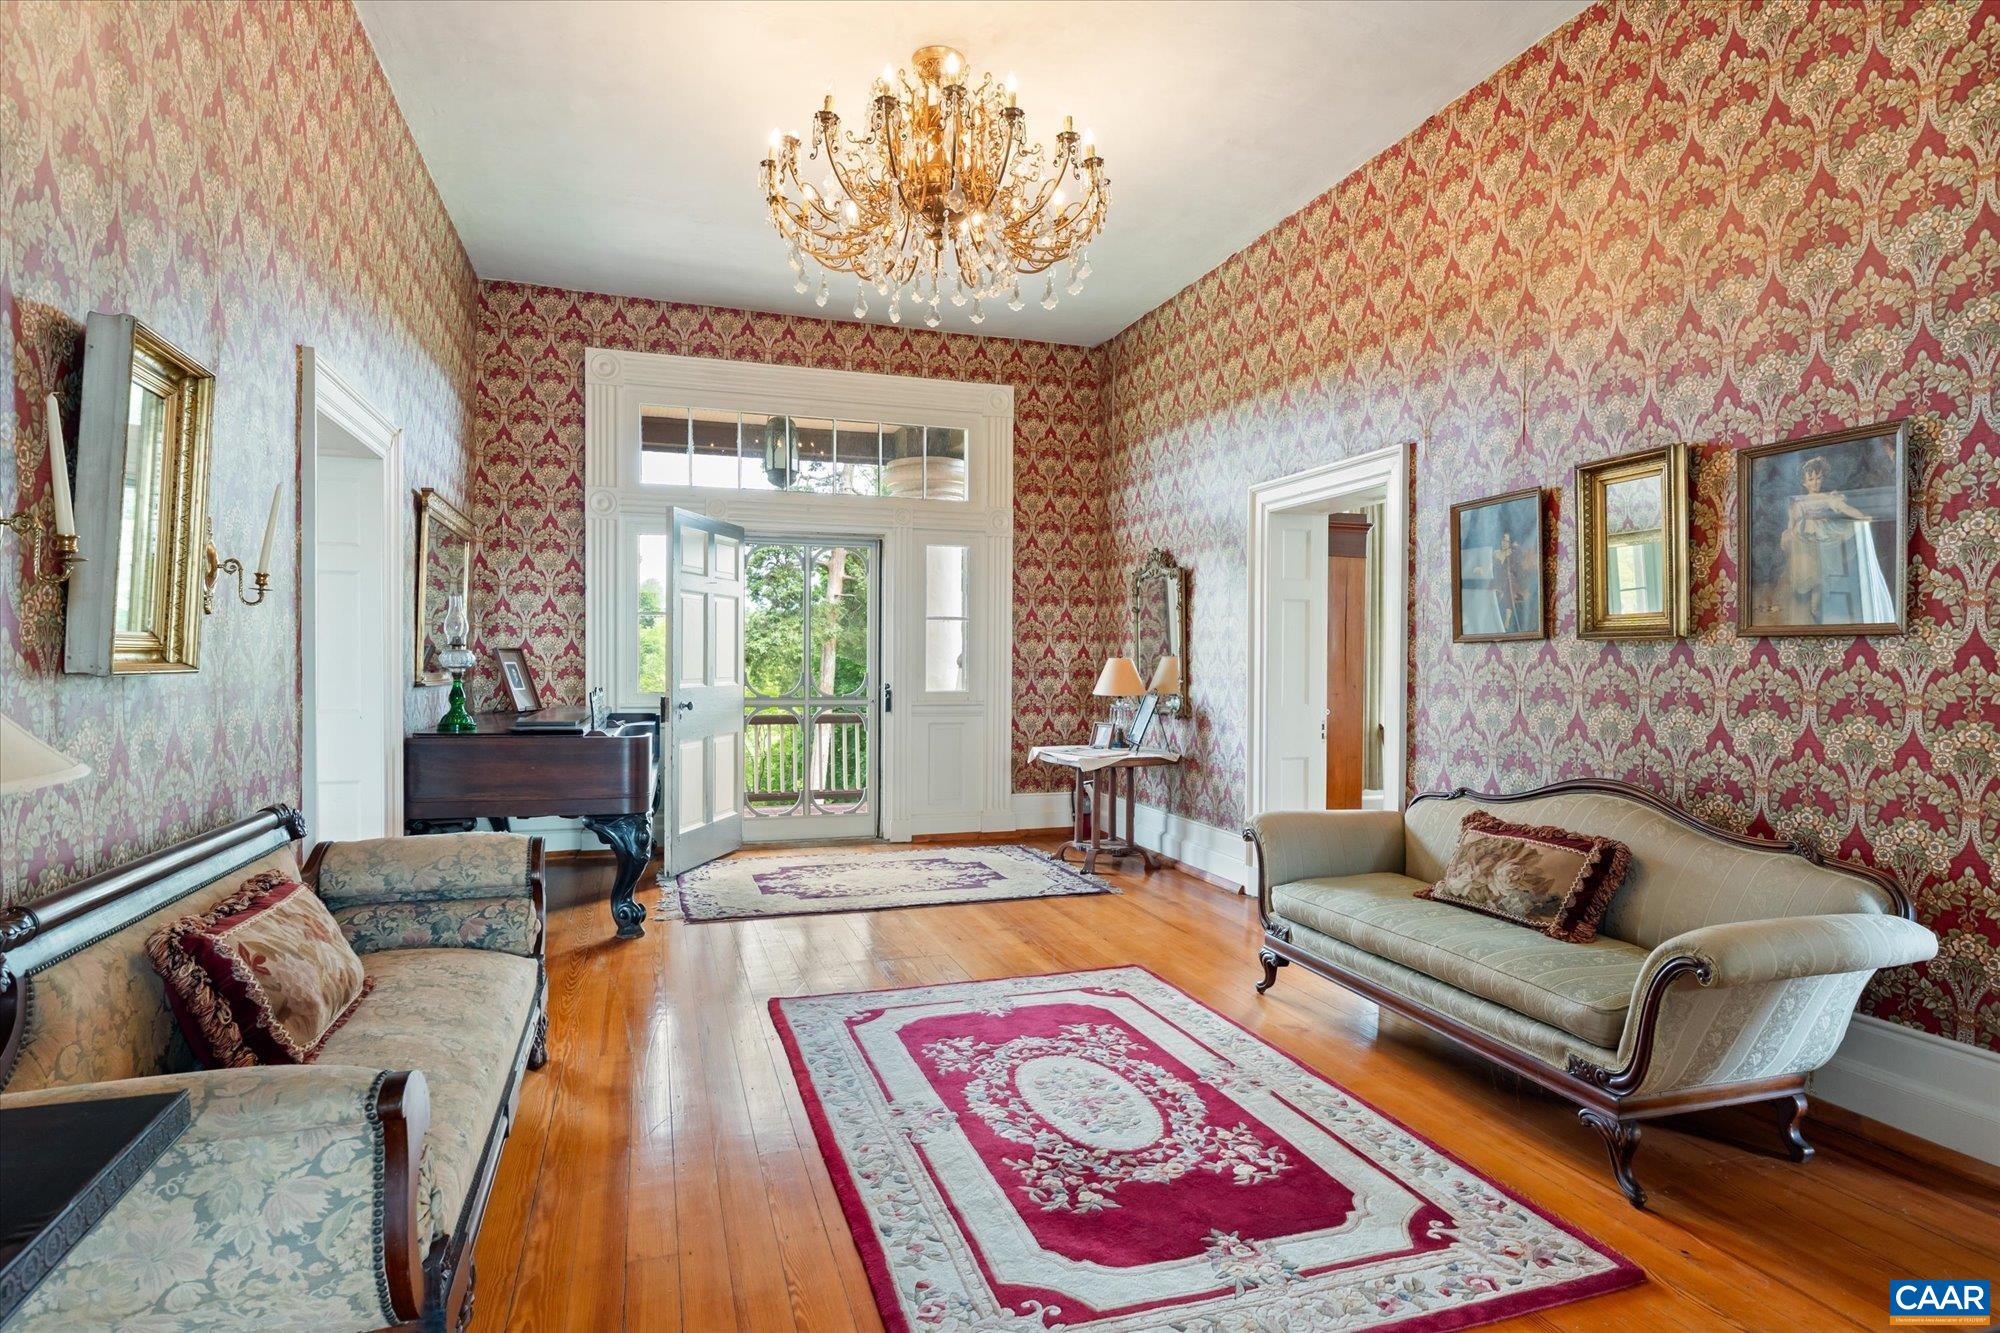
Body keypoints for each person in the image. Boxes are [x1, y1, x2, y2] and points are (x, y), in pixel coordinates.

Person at [1779, 455, 1895, 624]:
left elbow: (1845, 508)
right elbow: (1792, 522)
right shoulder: (1799, 502)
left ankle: (1818, 609)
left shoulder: (1828, 498)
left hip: (1823, 536)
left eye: (1818, 478)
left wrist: (1863, 517)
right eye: (1811, 479)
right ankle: (1813, 608)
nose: (1815, 483)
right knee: (1810, 575)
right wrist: (1788, 534)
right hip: (1804, 540)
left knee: (1822, 574)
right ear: (1804, 483)